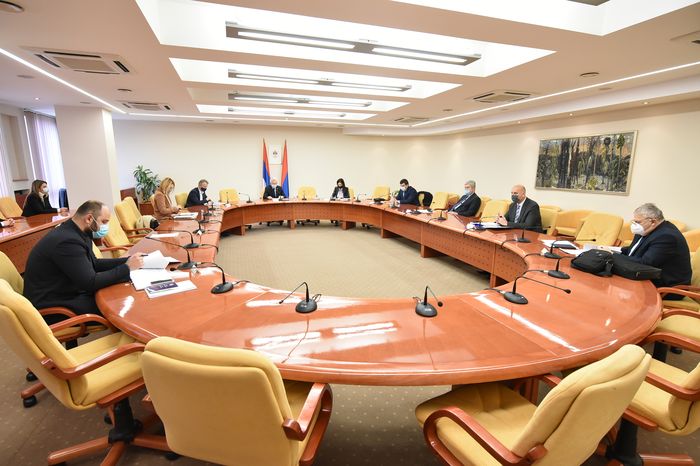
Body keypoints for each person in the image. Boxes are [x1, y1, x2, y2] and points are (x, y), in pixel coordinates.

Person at [23, 200, 143, 323]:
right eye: (104, 222)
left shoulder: (79, 231)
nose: (105, 226)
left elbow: (94, 263)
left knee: (122, 291)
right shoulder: (67, 241)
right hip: (54, 306)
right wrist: (126, 268)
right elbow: (90, 282)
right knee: (122, 304)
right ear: (89, 218)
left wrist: (127, 261)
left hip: (68, 291)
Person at [621, 203, 691, 300]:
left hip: (667, 288)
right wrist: (613, 250)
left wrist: (612, 256)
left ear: (653, 221)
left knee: (619, 289)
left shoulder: (667, 236)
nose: (634, 225)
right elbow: (635, 250)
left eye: (638, 222)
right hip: (650, 278)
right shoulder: (646, 229)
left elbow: (645, 263)